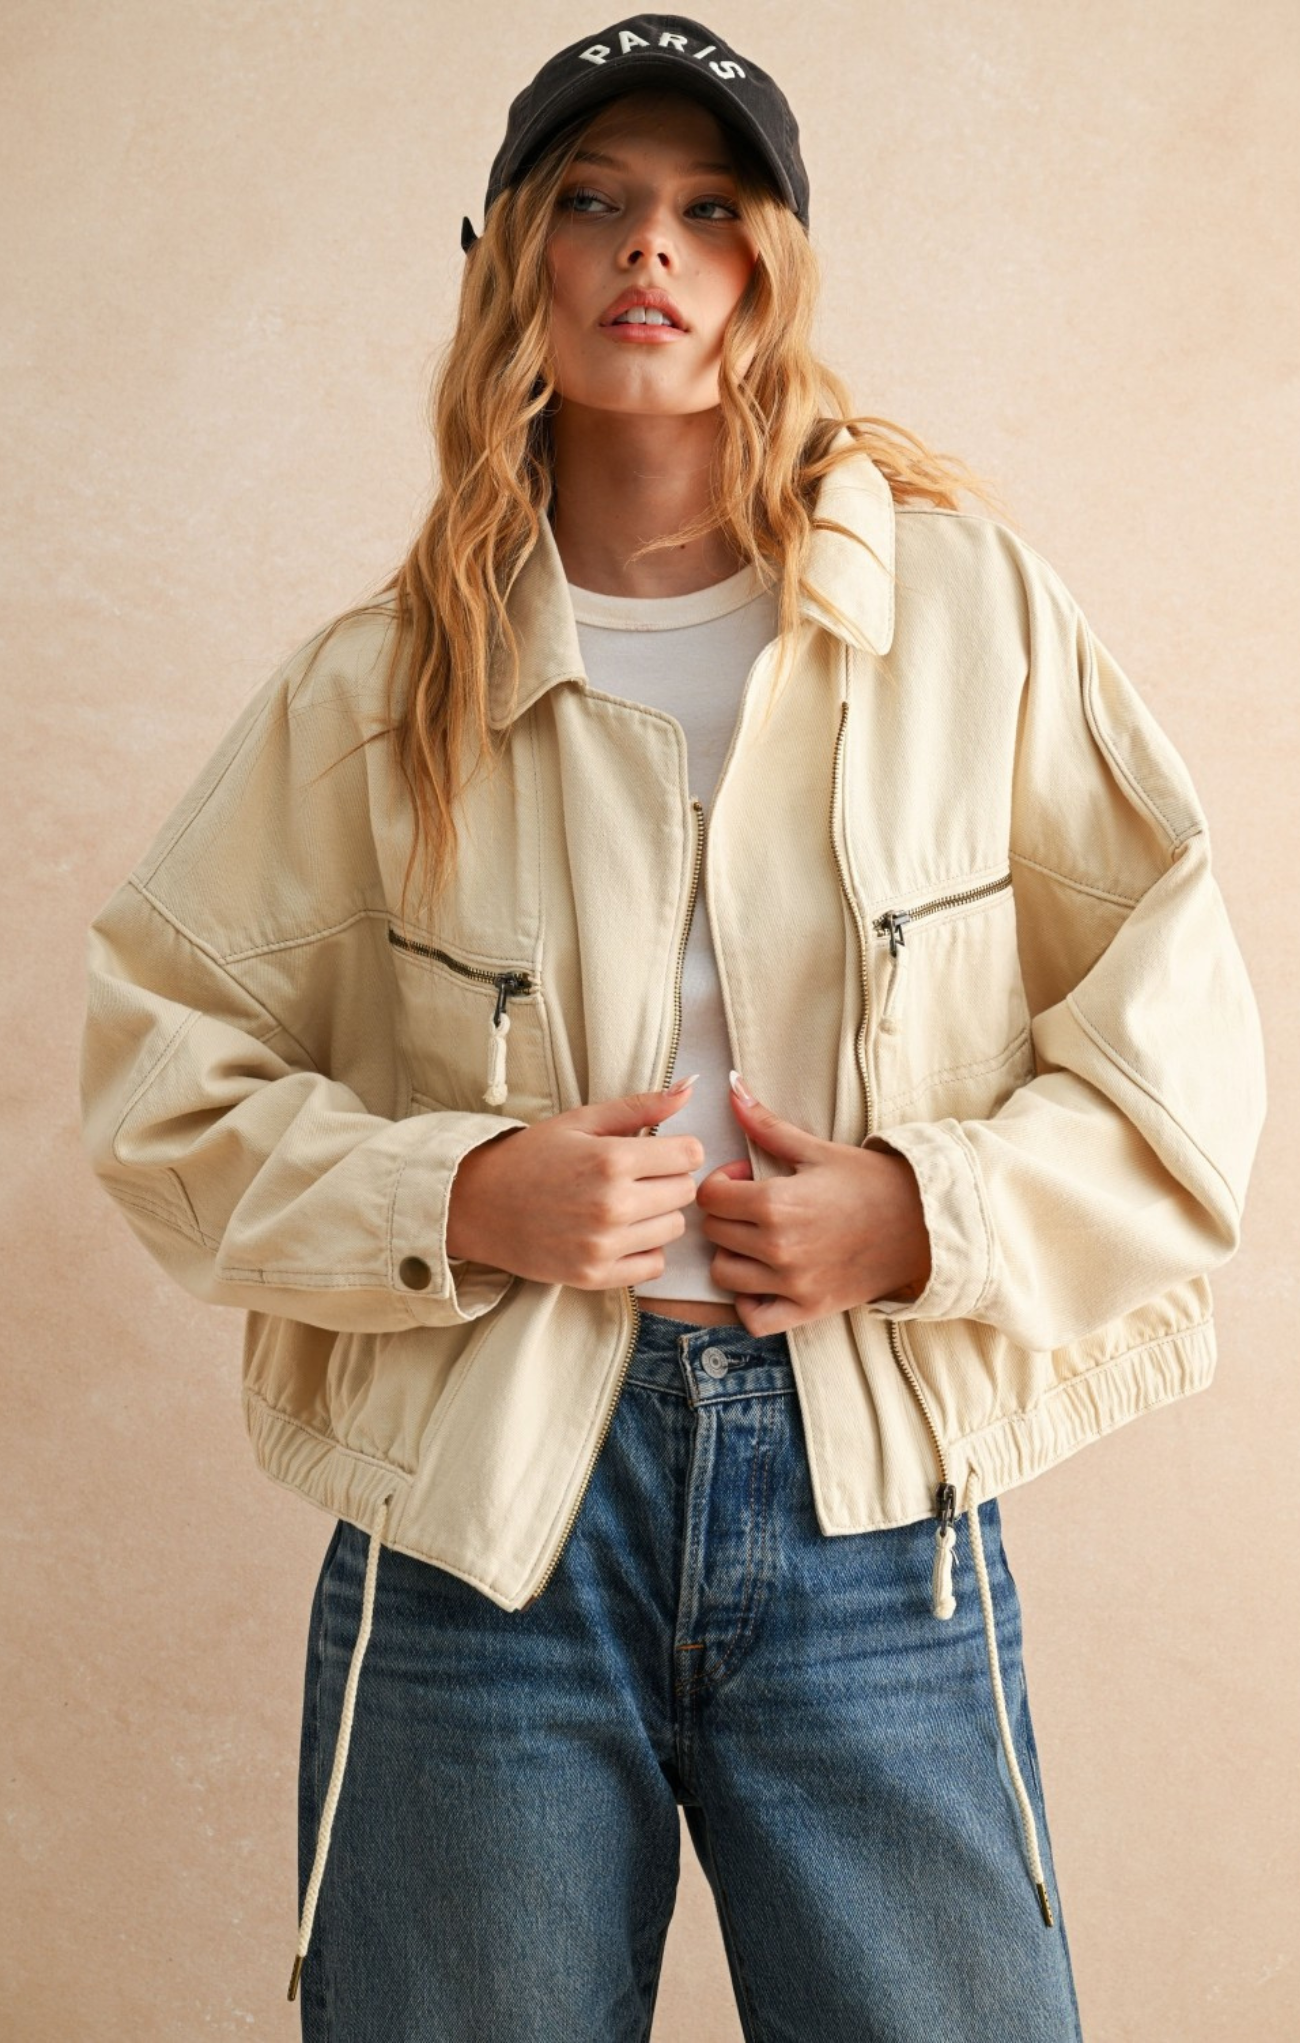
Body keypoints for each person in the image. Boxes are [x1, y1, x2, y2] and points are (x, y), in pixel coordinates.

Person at [78, 15, 1266, 2041]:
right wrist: (459, 1190)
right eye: (597, 203)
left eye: (711, 210)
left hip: (871, 1510)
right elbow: (156, 1063)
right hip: (480, 1523)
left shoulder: (965, 616)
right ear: (515, 259)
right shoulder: (383, 684)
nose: (653, 250)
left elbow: (1185, 1036)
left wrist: (923, 1212)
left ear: (773, 268)